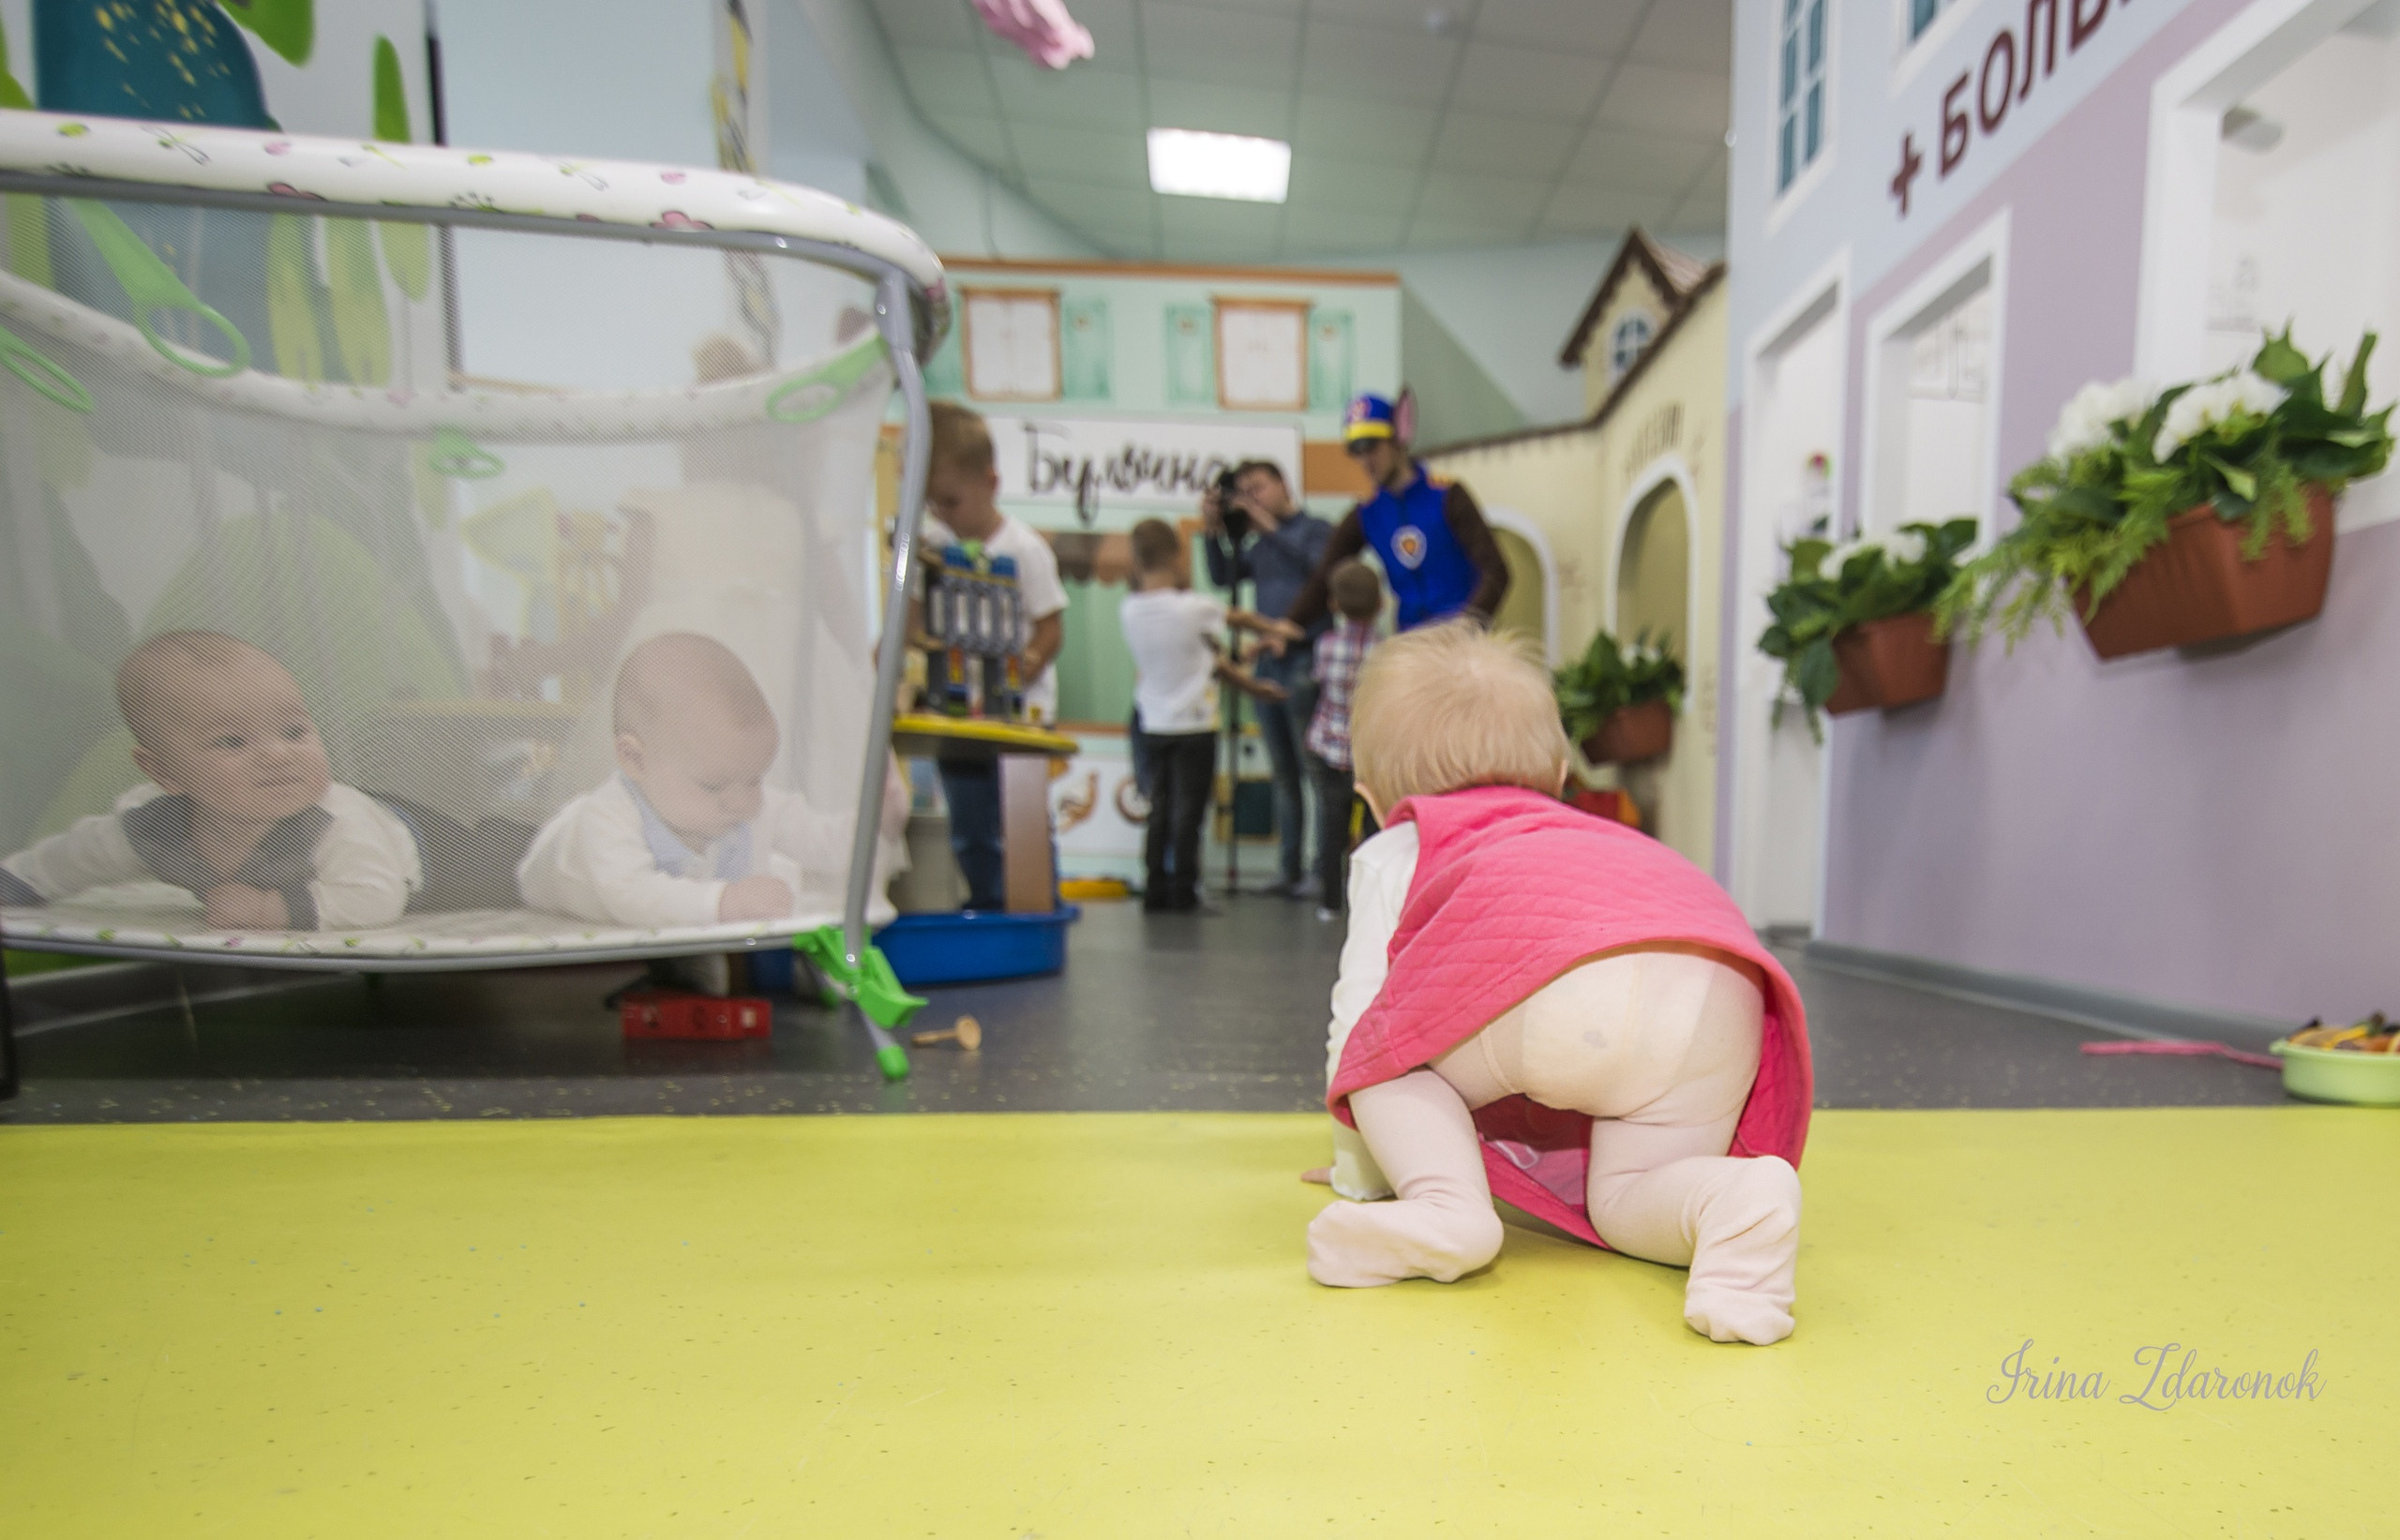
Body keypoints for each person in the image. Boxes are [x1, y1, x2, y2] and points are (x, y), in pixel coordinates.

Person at [1305, 622, 1814, 1346]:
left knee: (1385, 1056)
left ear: (1373, 797)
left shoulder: (1404, 840)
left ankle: (1446, 1206)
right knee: (1626, 1196)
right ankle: (1737, 1197)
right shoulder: (1592, 836)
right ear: (1556, 773)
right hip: (1719, 985)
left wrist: (1364, 1166)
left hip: (1555, 977)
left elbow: (1360, 1023)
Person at [0, 631, 422, 931]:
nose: (278, 754)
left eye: (295, 732)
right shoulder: (153, 830)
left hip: (420, 843)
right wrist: (17, 881)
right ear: (165, 772)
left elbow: (376, 896)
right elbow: (74, 857)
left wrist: (272, 910)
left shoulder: (335, 819)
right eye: (232, 742)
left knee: (485, 848)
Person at [517, 632, 908, 929]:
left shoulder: (746, 800)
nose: (741, 803)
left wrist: (877, 826)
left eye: (755, 778)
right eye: (713, 786)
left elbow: (820, 842)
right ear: (636, 760)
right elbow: (630, 895)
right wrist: (724, 902)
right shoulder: (607, 818)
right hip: (565, 884)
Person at [906, 401, 1070, 911]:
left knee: (1021, 823)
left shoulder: (1024, 549)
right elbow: (914, 624)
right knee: (970, 822)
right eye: (933, 504)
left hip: (1018, 715)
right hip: (959, 714)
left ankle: (1036, 906)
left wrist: (1027, 664)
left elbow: (1050, 627)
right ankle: (988, 904)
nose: (942, 515)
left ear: (990, 482)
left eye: (951, 501)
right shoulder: (933, 547)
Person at [1118, 518, 1285, 914]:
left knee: (1159, 807)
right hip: (1193, 724)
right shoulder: (1192, 607)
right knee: (1187, 811)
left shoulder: (1129, 609)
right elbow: (1237, 619)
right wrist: (1278, 627)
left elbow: (1205, 655)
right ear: (1177, 555)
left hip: (1153, 721)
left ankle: (1155, 886)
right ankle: (1183, 890)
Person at [1201, 459, 1334, 898]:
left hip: (1306, 662)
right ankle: (1288, 868)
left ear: (1283, 485)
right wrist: (1211, 530)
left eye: (1258, 487)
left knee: (1315, 773)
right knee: (1283, 773)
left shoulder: (1316, 530)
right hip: (1266, 666)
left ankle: (1323, 870)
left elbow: (1322, 571)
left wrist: (1269, 527)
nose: (1252, 498)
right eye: (1245, 492)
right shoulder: (1255, 545)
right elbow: (1223, 576)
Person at [1278, 392, 1510, 638]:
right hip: (1409, 641)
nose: (1365, 460)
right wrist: (1288, 624)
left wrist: (1468, 622)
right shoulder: (1367, 512)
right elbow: (1326, 576)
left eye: (1372, 446)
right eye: (1356, 450)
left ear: (1398, 438)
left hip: (1462, 639)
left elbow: (1496, 571)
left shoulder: (1447, 495)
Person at [1300, 560, 1384, 923]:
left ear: (1334, 603)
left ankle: (1329, 903)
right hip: (1369, 753)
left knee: (1330, 828)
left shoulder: (1326, 645)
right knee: (1372, 830)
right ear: (1380, 604)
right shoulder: (1385, 651)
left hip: (1327, 746)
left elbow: (1320, 684)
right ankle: (1368, 901)